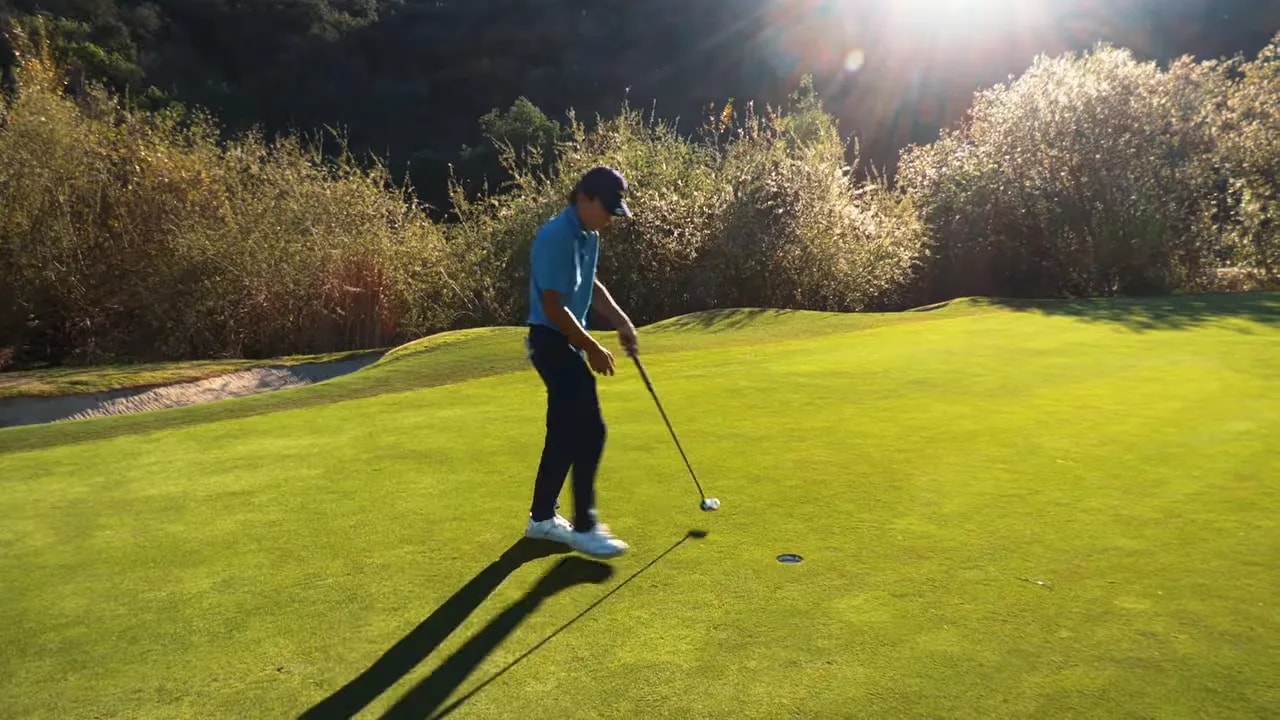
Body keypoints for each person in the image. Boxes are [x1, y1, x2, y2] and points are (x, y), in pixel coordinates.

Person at [523, 166, 638, 559]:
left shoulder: (589, 235)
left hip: (564, 341)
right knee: (591, 430)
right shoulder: (558, 236)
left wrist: (620, 321)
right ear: (585, 198)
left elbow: (591, 285)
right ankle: (585, 526)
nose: (609, 219)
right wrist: (591, 347)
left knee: (563, 432)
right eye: (606, 209)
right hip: (551, 340)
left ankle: (541, 519)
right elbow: (554, 307)